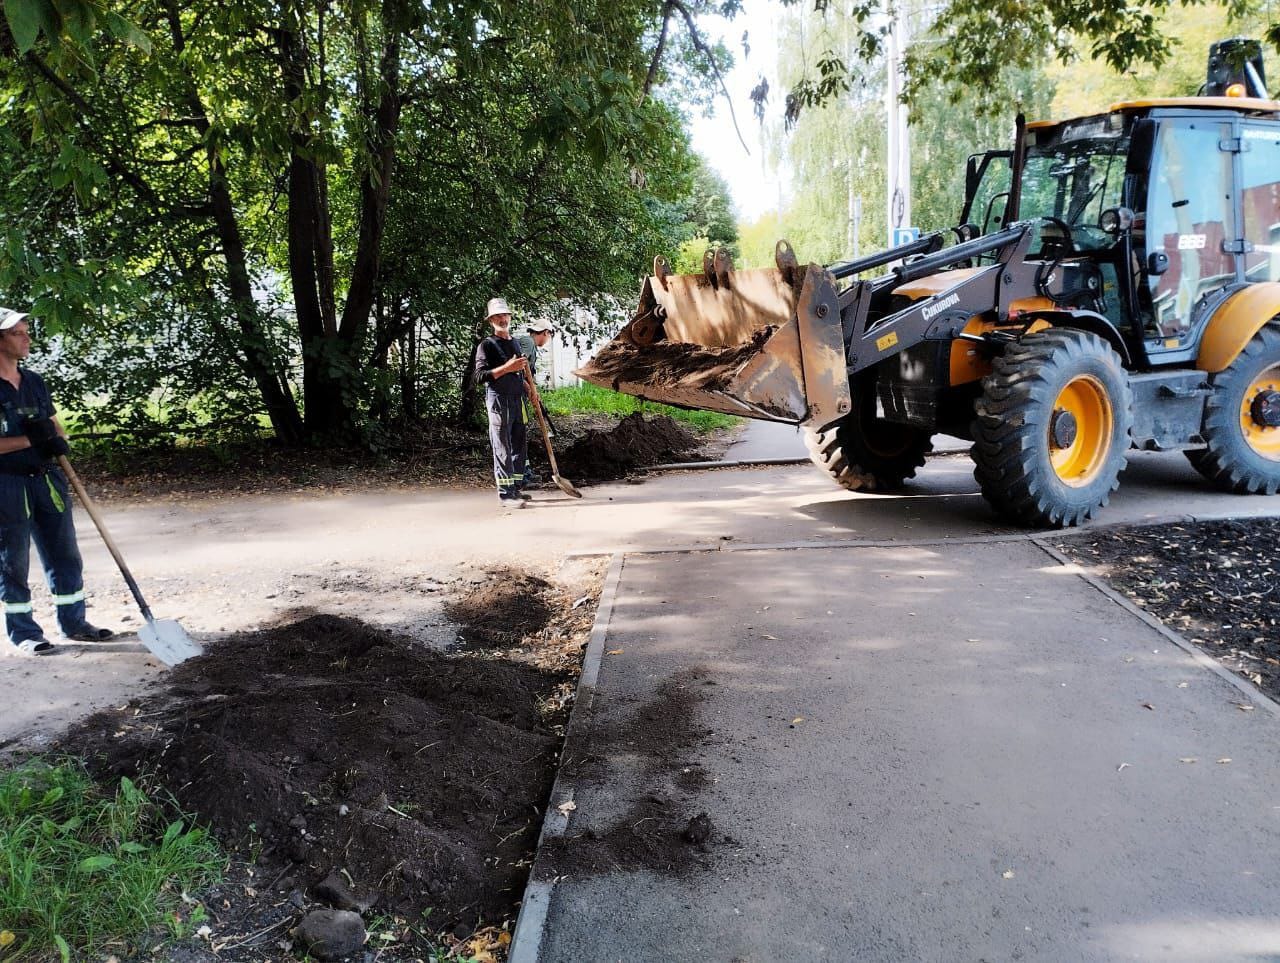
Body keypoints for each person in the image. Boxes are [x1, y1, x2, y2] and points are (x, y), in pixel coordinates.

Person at [0, 307, 114, 655]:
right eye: (18, 333)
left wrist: (58, 440)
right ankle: (24, 634)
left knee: (65, 555)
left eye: (26, 331)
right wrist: (31, 440)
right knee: (13, 561)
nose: (26, 338)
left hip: (47, 478)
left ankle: (74, 623)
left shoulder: (33, 381)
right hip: (8, 483)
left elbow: (52, 423)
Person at [474, 298, 532, 510]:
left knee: (519, 444)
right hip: (498, 400)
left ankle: (516, 487)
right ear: (491, 320)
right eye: (497, 316)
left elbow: (518, 372)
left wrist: (528, 388)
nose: (502, 318)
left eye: (505, 315)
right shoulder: (486, 345)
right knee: (502, 447)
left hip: (517, 399)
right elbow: (479, 377)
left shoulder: (515, 342)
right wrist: (506, 368)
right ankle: (506, 495)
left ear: (510, 317)